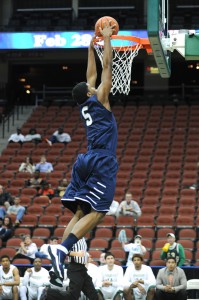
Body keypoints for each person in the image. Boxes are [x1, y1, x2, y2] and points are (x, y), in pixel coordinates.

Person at [48, 23, 118, 281]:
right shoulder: (100, 98)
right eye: (90, 85)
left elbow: (90, 75)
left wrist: (91, 48)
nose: (93, 84)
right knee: (98, 211)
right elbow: (107, 67)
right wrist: (107, 40)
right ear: (89, 92)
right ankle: (62, 250)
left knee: (80, 211)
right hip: (102, 160)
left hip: (86, 159)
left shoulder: (85, 102)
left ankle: (59, 254)